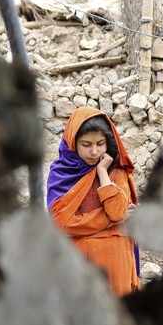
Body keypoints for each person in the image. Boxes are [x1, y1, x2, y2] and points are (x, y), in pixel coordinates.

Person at [47, 107, 140, 296]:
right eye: (86, 144)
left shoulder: (116, 172)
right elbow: (62, 224)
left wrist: (102, 173)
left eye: (100, 143)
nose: (94, 151)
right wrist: (110, 221)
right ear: (73, 143)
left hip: (115, 264)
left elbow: (118, 212)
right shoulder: (61, 175)